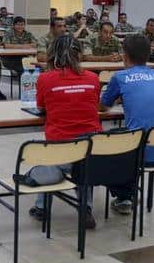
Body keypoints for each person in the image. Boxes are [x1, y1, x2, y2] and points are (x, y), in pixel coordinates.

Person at [28, 35, 101, 229]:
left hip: (61, 151)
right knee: (83, 159)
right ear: (80, 54)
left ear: (52, 54)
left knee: (50, 158)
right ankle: (85, 207)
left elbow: (41, 106)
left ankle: (42, 206)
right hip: (94, 153)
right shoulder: (93, 78)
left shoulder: (45, 79)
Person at [99, 34, 154, 214]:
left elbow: (103, 106)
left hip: (140, 155)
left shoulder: (120, 77)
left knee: (105, 143)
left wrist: (117, 99)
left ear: (124, 55)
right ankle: (128, 193)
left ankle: (125, 197)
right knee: (131, 134)